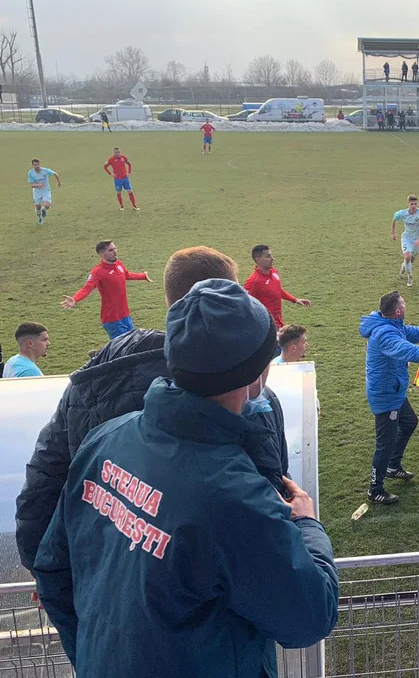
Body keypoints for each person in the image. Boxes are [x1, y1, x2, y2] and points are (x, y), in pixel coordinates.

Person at [33, 278, 339, 678]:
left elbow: (53, 570)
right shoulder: (233, 496)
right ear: (256, 376)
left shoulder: (106, 437)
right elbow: (310, 618)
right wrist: (306, 523)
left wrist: (94, 659)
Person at [359, 291, 419, 503]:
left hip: (394, 391)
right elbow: (403, 349)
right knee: (384, 443)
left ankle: (393, 465)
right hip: (386, 396)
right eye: (403, 303)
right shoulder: (385, 334)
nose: (405, 304)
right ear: (397, 311)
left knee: (410, 422)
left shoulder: (392, 324)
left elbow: (412, 332)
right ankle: (375, 489)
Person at [61, 240, 152, 340]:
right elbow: (87, 288)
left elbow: (127, 275)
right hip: (112, 319)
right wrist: (75, 299)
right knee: (122, 346)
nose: (115, 252)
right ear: (102, 254)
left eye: (115, 248)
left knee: (134, 342)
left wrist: (143, 276)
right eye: (111, 250)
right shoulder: (98, 272)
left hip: (125, 315)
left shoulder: (118, 264)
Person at [244, 244, 312, 329]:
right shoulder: (253, 281)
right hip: (265, 326)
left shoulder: (273, 272)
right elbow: (244, 302)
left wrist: (294, 299)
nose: (272, 258)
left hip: (278, 323)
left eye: (271, 255)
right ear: (258, 260)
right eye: (268, 256)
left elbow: (277, 290)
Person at [391, 195, 419, 287]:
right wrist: (393, 233)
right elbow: (394, 219)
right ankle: (410, 278)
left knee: (411, 259)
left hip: (417, 240)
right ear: (408, 204)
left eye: (415, 204)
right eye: (412, 204)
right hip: (407, 238)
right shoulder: (402, 213)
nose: (414, 206)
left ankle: (404, 266)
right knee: (408, 256)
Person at [103, 147, 139, 211]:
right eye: (116, 152)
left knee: (130, 191)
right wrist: (111, 174)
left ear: (120, 152)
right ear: (114, 153)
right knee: (119, 192)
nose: (117, 153)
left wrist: (129, 172)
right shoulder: (111, 159)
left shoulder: (123, 158)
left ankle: (134, 206)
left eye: (118, 152)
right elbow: (105, 167)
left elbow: (129, 164)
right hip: (117, 179)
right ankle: (121, 206)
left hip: (125, 178)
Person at [28, 158, 61, 226]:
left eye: (38, 164)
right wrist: (39, 185)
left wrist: (59, 182)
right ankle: (40, 218)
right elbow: (32, 185)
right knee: (37, 207)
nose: (37, 166)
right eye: (35, 165)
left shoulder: (45, 170)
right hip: (37, 192)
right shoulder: (31, 173)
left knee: (47, 205)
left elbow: (55, 174)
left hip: (46, 191)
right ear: (32, 165)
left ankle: (43, 210)